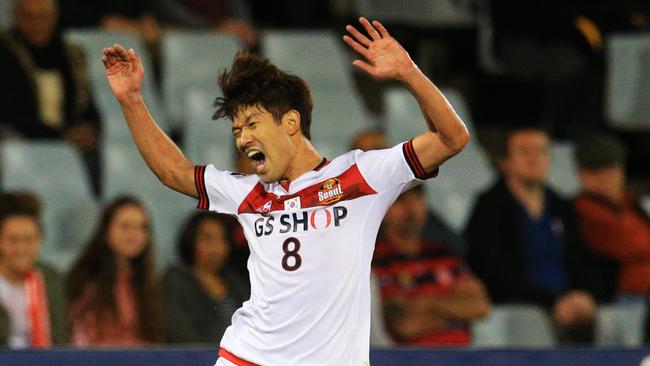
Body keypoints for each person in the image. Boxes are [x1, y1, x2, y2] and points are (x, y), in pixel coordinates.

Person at [101, 16, 469, 365]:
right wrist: (132, 100)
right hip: (248, 357)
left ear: (291, 122)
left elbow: (452, 138)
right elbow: (172, 171)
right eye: (236, 130)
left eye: (251, 124)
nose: (243, 138)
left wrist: (408, 72)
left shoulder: (360, 177)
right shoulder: (247, 193)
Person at [465, 126, 607, 344]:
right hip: (521, 303)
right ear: (505, 162)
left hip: (567, 301)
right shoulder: (489, 208)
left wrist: (585, 294)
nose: (534, 159)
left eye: (541, 151)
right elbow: (493, 271)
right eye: (524, 152)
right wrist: (551, 300)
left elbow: (584, 259)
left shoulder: (562, 206)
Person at [0, 0, 102, 195]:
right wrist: (60, 135)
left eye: (43, 17)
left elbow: (89, 108)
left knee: (92, 156)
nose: (36, 24)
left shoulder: (70, 54)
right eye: (29, 17)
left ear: (54, 17)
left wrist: (89, 129)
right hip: (25, 140)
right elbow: (9, 111)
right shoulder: (5, 52)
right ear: (15, 17)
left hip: (69, 145)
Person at [373, 185, 490, 346]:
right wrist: (454, 316)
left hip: (463, 356)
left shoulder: (444, 254)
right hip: (409, 359)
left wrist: (426, 303)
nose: (411, 208)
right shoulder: (374, 261)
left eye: (417, 198)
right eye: (400, 200)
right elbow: (404, 326)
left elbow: (480, 306)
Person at [66, 196, 164, 346]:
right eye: (126, 227)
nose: (134, 235)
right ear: (105, 231)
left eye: (142, 228)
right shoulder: (86, 280)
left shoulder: (148, 283)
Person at [574, 133, 649, 302]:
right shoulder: (582, 208)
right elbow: (630, 244)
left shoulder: (630, 204)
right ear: (581, 174)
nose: (603, 177)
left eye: (609, 169)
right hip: (623, 294)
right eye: (594, 171)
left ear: (621, 170)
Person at [163, 211, 249, 344]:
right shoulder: (176, 281)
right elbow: (181, 333)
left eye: (222, 239)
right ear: (191, 240)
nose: (216, 247)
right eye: (207, 238)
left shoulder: (235, 281)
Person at [0, 192, 69, 348]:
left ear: (39, 242)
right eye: (13, 240)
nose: (21, 248)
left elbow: (61, 336)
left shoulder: (50, 279)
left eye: (29, 240)